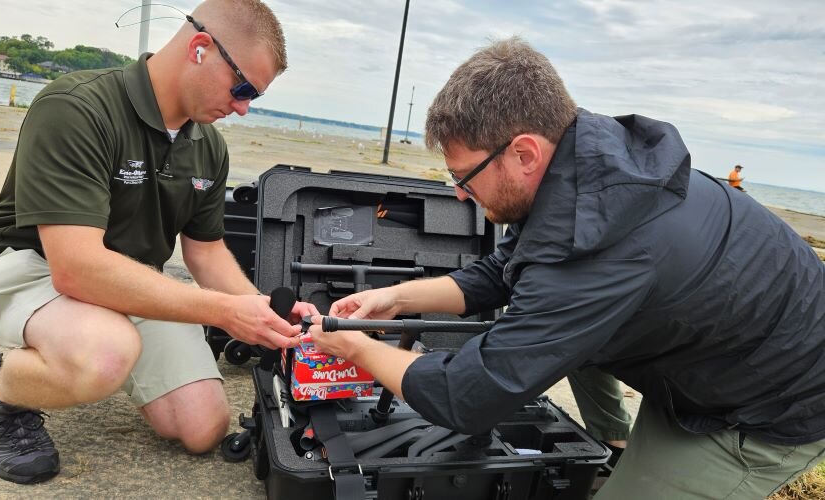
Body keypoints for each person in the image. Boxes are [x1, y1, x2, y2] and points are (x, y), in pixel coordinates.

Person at [308, 37, 825, 499]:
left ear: (525, 153)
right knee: (556, 333)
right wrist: (396, 299)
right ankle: (613, 439)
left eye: (464, 175)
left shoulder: (599, 250)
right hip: (713, 345)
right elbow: (501, 272)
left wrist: (353, 345)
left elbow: (465, 398)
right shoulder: (588, 171)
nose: (459, 192)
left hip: (771, 405)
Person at [0, 0, 317, 484]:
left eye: (254, 97)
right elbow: (76, 268)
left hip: (126, 281)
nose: (243, 107)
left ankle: (87, 351)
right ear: (201, 48)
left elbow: (206, 253)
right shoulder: (76, 105)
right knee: (106, 353)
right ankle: (7, 391)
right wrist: (223, 313)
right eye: (243, 87)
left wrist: (261, 310)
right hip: (21, 267)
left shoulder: (208, 145)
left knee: (201, 428)